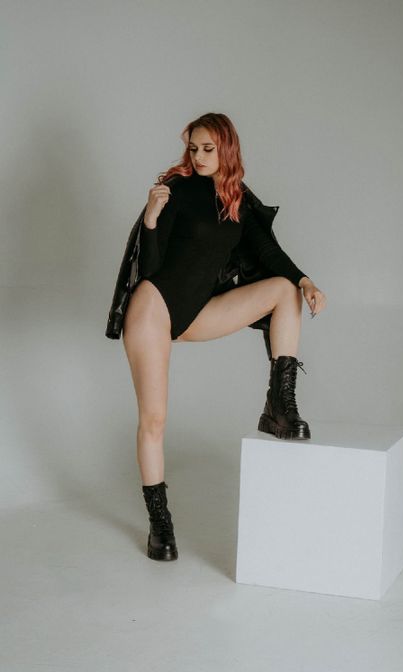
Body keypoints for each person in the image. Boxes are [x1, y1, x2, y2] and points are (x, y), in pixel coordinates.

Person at [121, 112, 326, 561]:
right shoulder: (177, 187)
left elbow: (268, 251)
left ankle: (279, 406)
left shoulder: (238, 199)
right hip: (153, 308)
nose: (198, 157)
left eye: (208, 149)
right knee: (154, 420)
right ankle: (160, 526)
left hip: (197, 313)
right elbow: (150, 270)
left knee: (283, 291)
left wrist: (305, 279)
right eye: (193, 148)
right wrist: (152, 219)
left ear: (226, 148)